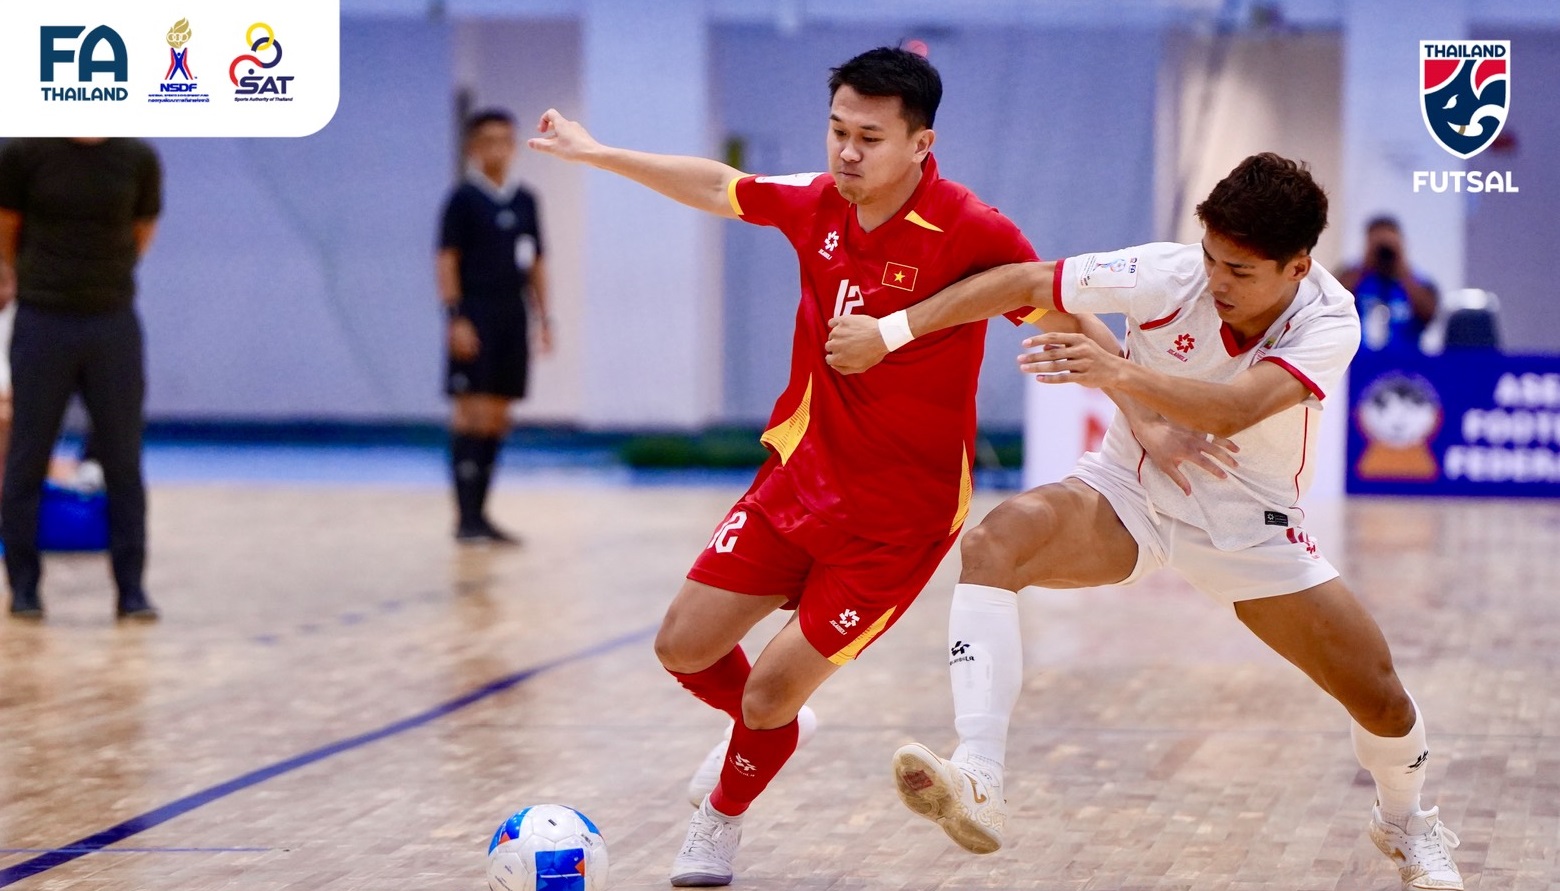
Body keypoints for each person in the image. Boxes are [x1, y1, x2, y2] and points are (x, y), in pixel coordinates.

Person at [528, 47, 1129, 887]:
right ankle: (771, 731)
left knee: (768, 694)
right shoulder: (819, 205)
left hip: (898, 521)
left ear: (922, 143)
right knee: (683, 647)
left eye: (870, 138)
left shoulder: (971, 230)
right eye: (838, 131)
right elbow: (716, 187)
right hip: (799, 480)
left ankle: (721, 818)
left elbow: (1062, 311)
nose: (847, 153)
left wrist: (1149, 411)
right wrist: (597, 154)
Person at [825, 153, 1464, 890]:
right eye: (1212, 257)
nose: (1217, 282)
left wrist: (1116, 372)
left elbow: (1236, 408)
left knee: (1380, 695)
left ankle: (1405, 821)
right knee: (994, 542)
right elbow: (1027, 280)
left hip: (1250, 525)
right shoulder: (1168, 274)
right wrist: (889, 333)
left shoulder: (1330, 317)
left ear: (1296, 267)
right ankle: (978, 773)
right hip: (1131, 493)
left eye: (1242, 270)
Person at [0, 137, 162, 621]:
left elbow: (142, 229)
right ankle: (24, 588)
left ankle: (131, 590)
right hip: (43, 319)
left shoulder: (136, 159)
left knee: (123, 458)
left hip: (111, 321)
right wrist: (35, 275)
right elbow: (7, 228)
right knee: (28, 454)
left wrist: (101, 275)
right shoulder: (24, 155)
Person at [437, 109, 553, 545]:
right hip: (475, 313)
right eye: (487, 140)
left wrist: (544, 318)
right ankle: (465, 517)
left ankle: (482, 514)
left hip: (512, 315)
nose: (496, 149)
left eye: (505, 140)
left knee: (500, 415)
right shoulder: (463, 200)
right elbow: (446, 260)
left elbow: (538, 262)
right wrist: (455, 316)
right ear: (472, 147)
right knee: (471, 411)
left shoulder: (526, 201)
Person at [1337, 215, 1438, 355]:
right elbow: (1334, 303)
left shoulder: (1418, 282)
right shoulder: (1352, 276)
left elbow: (1428, 314)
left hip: (1406, 363)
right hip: (1356, 362)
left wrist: (1401, 267)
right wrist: (1366, 264)